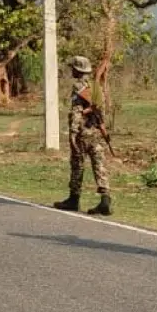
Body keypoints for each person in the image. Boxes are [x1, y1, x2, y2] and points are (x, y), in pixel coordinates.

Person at [53, 55, 112, 216]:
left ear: (77, 70)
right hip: (97, 132)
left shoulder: (78, 87)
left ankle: (74, 199)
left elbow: (76, 112)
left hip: (83, 133)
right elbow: (102, 111)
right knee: (99, 165)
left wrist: (72, 133)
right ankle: (105, 199)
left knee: (77, 164)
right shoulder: (95, 87)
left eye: (73, 68)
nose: (71, 70)